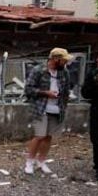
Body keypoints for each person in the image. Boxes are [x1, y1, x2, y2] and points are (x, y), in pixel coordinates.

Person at [23, 47, 73, 175]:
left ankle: (41, 161)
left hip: (57, 108)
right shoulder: (38, 70)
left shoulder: (64, 72)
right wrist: (46, 93)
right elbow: (28, 89)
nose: (66, 63)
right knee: (39, 136)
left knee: (48, 136)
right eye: (64, 60)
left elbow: (67, 90)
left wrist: (64, 104)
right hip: (41, 108)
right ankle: (29, 161)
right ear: (56, 59)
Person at [81, 50, 98, 181]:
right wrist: (95, 85)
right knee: (97, 140)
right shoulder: (92, 74)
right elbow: (85, 93)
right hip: (97, 111)